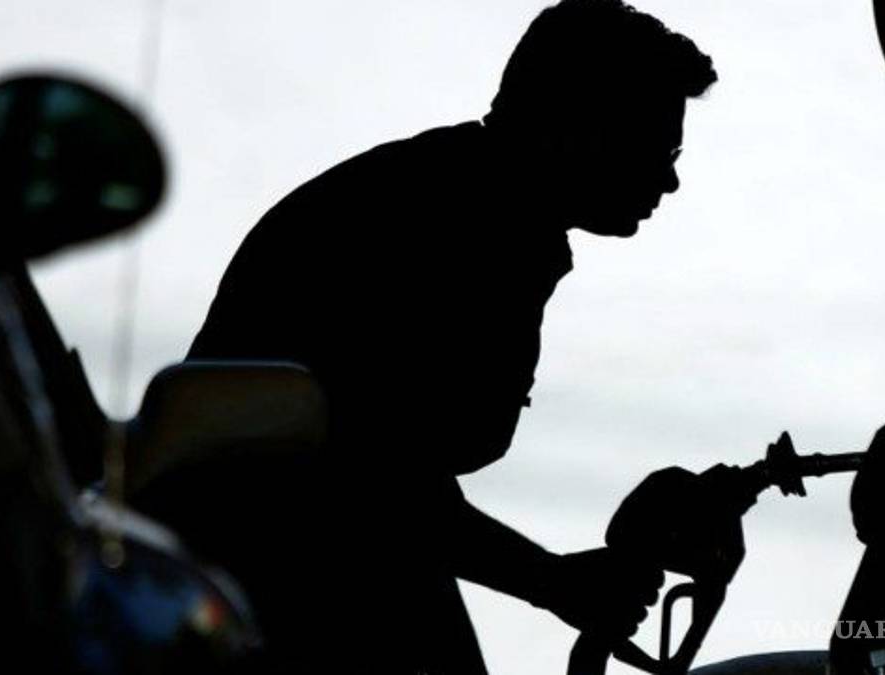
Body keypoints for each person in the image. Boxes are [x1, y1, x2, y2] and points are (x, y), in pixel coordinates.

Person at [185, 1, 717, 672]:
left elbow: (396, 479)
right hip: (270, 583)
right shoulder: (446, 230)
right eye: (657, 150)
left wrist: (552, 580)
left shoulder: (468, 206)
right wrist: (551, 580)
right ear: (581, 126)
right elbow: (366, 479)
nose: (669, 179)